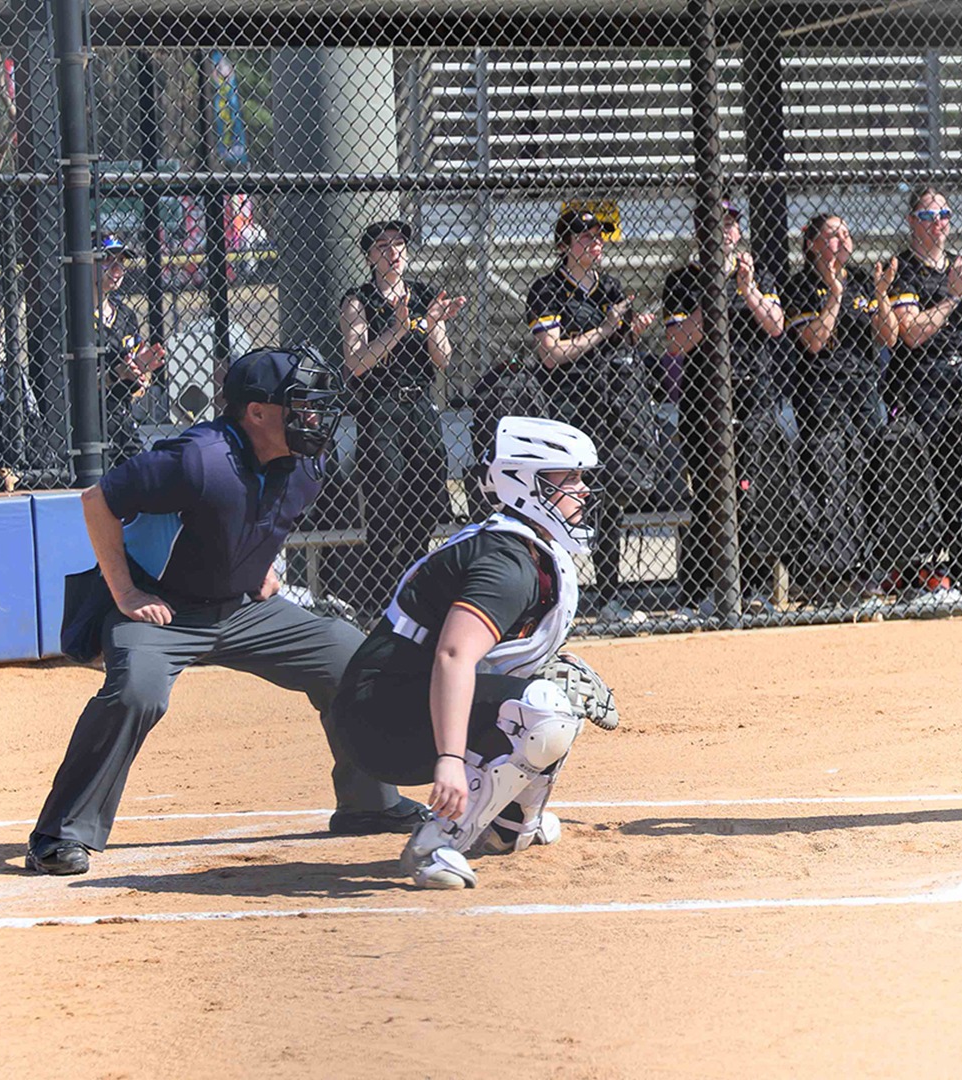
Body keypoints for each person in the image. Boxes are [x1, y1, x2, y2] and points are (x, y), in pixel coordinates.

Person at [25, 347, 424, 876]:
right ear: (256, 412)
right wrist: (124, 593)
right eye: (300, 404)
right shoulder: (198, 459)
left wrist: (259, 562)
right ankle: (59, 834)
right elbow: (98, 500)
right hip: (164, 612)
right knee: (137, 691)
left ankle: (369, 803)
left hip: (242, 610)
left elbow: (260, 513)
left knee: (350, 656)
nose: (313, 416)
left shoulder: (307, 463)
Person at [331, 416, 618, 888]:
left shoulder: (524, 546)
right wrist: (449, 758)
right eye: (568, 478)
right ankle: (434, 844)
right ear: (526, 484)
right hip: (379, 718)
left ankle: (507, 824)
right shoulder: (507, 563)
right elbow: (453, 656)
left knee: (556, 693)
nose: (582, 490)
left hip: (405, 700)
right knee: (542, 708)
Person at [525, 209, 658, 621]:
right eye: (585, 237)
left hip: (609, 406)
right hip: (567, 403)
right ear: (564, 245)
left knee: (608, 498)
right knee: (559, 500)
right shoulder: (547, 289)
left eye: (599, 236)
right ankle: (553, 595)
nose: (596, 242)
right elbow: (551, 354)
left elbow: (619, 342)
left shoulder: (610, 287)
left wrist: (631, 330)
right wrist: (604, 329)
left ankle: (609, 594)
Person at [660, 198, 788, 611]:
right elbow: (677, 342)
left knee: (753, 496)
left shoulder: (757, 274)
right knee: (710, 497)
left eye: (732, 223)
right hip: (705, 401)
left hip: (753, 398)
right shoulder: (682, 280)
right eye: (718, 223)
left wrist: (746, 289)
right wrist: (714, 293)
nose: (726, 230)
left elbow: (776, 325)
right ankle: (700, 593)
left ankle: (751, 590)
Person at [339, 219, 466, 618]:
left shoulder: (424, 294)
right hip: (381, 406)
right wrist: (396, 328)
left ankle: (415, 592)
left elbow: (442, 359)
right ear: (369, 256)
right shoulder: (358, 300)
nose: (393, 252)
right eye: (383, 246)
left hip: (420, 404)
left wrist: (433, 323)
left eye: (399, 244)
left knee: (426, 495)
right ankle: (378, 599)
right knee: (386, 497)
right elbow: (356, 363)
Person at [882, 187, 962, 597]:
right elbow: (912, 333)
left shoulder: (960, 267)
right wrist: (952, 297)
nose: (938, 223)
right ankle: (929, 570)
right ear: (912, 222)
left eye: (944, 214)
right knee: (933, 474)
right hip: (924, 383)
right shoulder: (904, 270)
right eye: (928, 216)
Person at [782, 212, 896, 601]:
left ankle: (869, 569)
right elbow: (814, 341)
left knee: (870, 472)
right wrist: (834, 294)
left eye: (846, 232)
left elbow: (888, 337)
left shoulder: (862, 279)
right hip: (822, 389)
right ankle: (829, 572)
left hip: (863, 387)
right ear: (812, 244)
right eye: (833, 234)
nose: (843, 239)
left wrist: (882, 295)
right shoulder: (800, 285)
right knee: (830, 475)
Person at [95, 232, 168, 468]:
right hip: (88, 424)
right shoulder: (73, 316)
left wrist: (141, 372)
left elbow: (139, 384)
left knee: (146, 474)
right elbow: (74, 385)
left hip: (121, 421)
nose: (117, 268)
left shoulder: (125, 315)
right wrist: (116, 374)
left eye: (121, 261)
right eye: (108, 260)